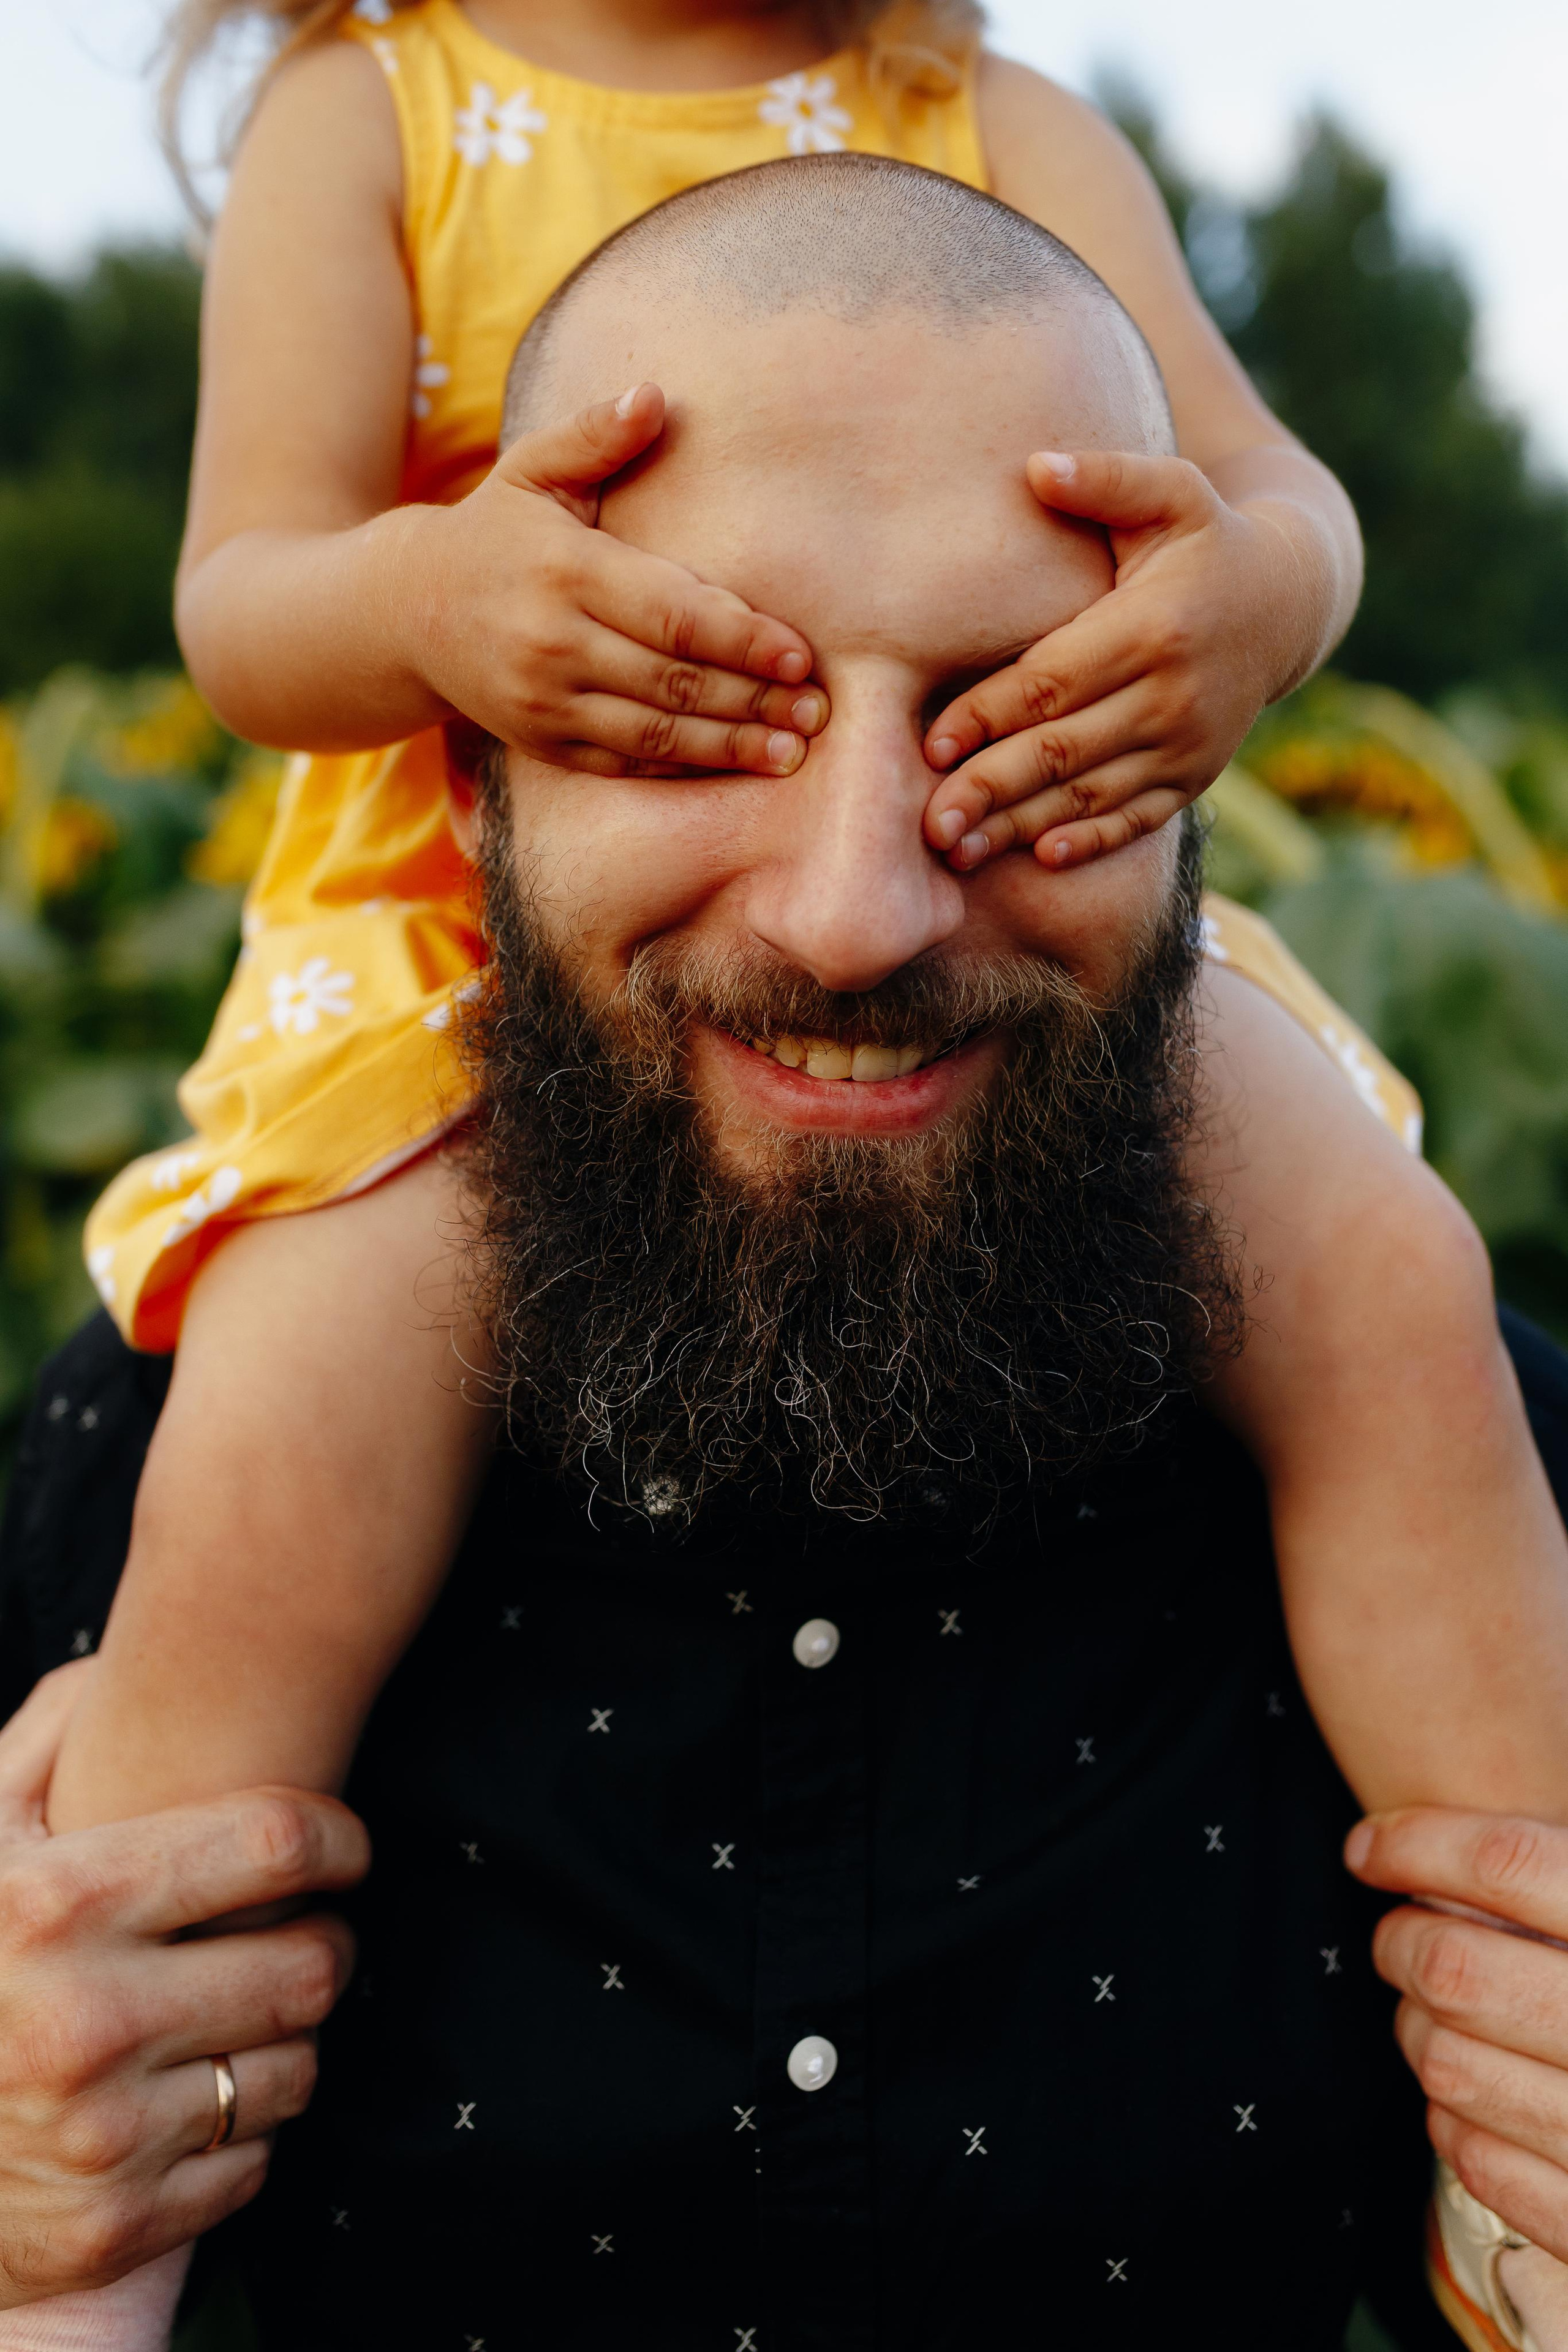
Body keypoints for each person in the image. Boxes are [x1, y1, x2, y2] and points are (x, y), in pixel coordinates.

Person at [7, 156, 1568, 2350]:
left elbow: (1281, 504)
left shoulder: (1456, 1451)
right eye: (686, 715)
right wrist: (32, 2225)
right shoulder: (146, 1473)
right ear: (468, 775)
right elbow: (248, 578)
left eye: (1026, 716)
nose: (857, 911)